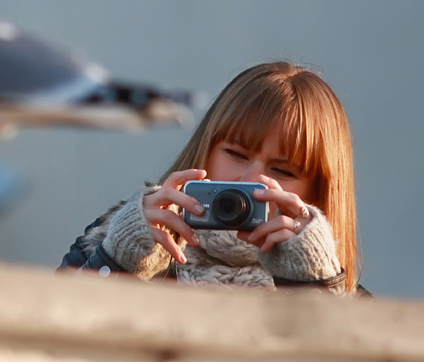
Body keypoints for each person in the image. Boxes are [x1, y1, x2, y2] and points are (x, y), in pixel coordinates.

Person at [59, 61, 370, 297]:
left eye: (283, 171)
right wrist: (118, 259)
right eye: (236, 153)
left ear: (316, 192)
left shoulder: (347, 299)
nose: (253, 178)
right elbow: (49, 338)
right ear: (205, 150)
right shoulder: (119, 239)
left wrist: (315, 284)